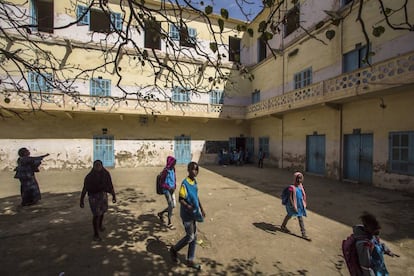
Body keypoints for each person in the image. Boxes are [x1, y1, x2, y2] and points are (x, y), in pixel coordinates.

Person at [170, 161, 205, 270]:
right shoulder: (185, 183)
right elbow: (181, 199)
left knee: (194, 236)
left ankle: (190, 259)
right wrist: (188, 207)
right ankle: (174, 250)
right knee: (190, 236)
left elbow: (196, 196)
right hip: (186, 215)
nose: (195, 171)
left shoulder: (194, 182)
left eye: (196, 169)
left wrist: (201, 208)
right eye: (193, 169)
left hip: (194, 213)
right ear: (188, 170)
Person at [80, 160, 116, 241]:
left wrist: (113, 195)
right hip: (93, 196)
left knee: (102, 211)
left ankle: (100, 225)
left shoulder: (106, 174)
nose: (98, 167)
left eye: (99, 165)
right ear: (93, 166)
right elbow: (85, 188)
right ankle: (96, 234)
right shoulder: (89, 177)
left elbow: (110, 185)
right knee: (96, 215)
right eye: (96, 166)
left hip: (102, 195)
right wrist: (81, 200)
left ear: (102, 166)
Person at [280, 171, 310, 240]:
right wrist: (294, 206)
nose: (300, 180)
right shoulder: (291, 187)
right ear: (295, 179)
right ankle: (283, 226)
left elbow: (302, 196)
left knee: (300, 218)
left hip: (299, 205)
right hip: (292, 205)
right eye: (298, 178)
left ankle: (303, 233)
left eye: (301, 178)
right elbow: (290, 197)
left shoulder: (301, 187)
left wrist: (304, 203)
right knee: (289, 215)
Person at [157, 156, 177, 229]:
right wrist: (168, 187)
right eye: (173, 163)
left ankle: (161, 213)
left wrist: (174, 186)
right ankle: (169, 222)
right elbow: (162, 183)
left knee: (173, 205)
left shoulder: (173, 169)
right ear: (170, 163)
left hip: (172, 189)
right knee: (171, 205)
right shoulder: (166, 171)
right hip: (166, 190)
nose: (174, 165)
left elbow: (174, 178)